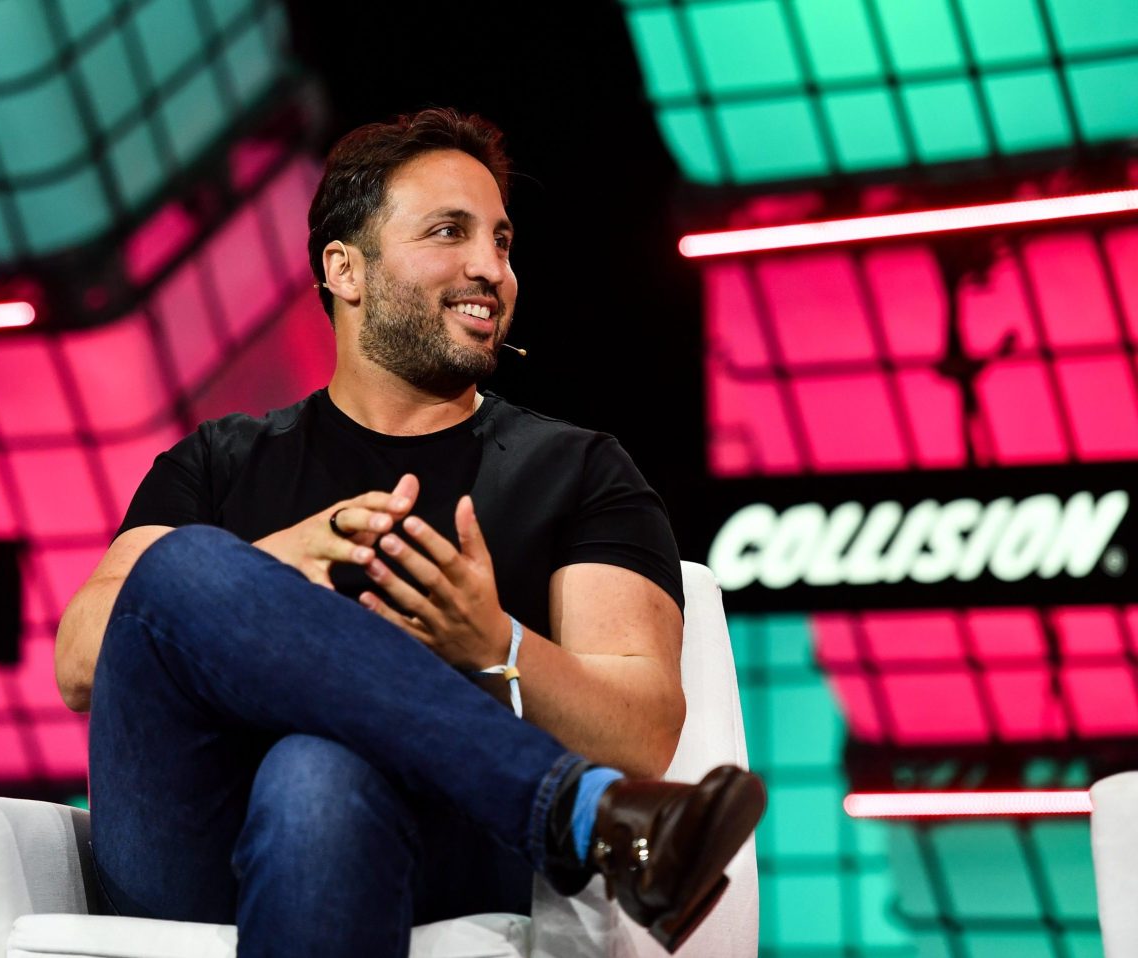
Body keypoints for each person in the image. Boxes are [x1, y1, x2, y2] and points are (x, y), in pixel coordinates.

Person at [55, 107, 764, 957]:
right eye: (449, 232)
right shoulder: (219, 461)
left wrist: (497, 646)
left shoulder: (578, 470)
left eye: (501, 241)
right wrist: (277, 565)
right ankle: (579, 815)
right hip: (192, 845)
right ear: (345, 270)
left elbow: (642, 732)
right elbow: (80, 662)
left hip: (433, 848)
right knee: (182, 568)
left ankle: (577, 813)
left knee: (316, 775)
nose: (490, 268)